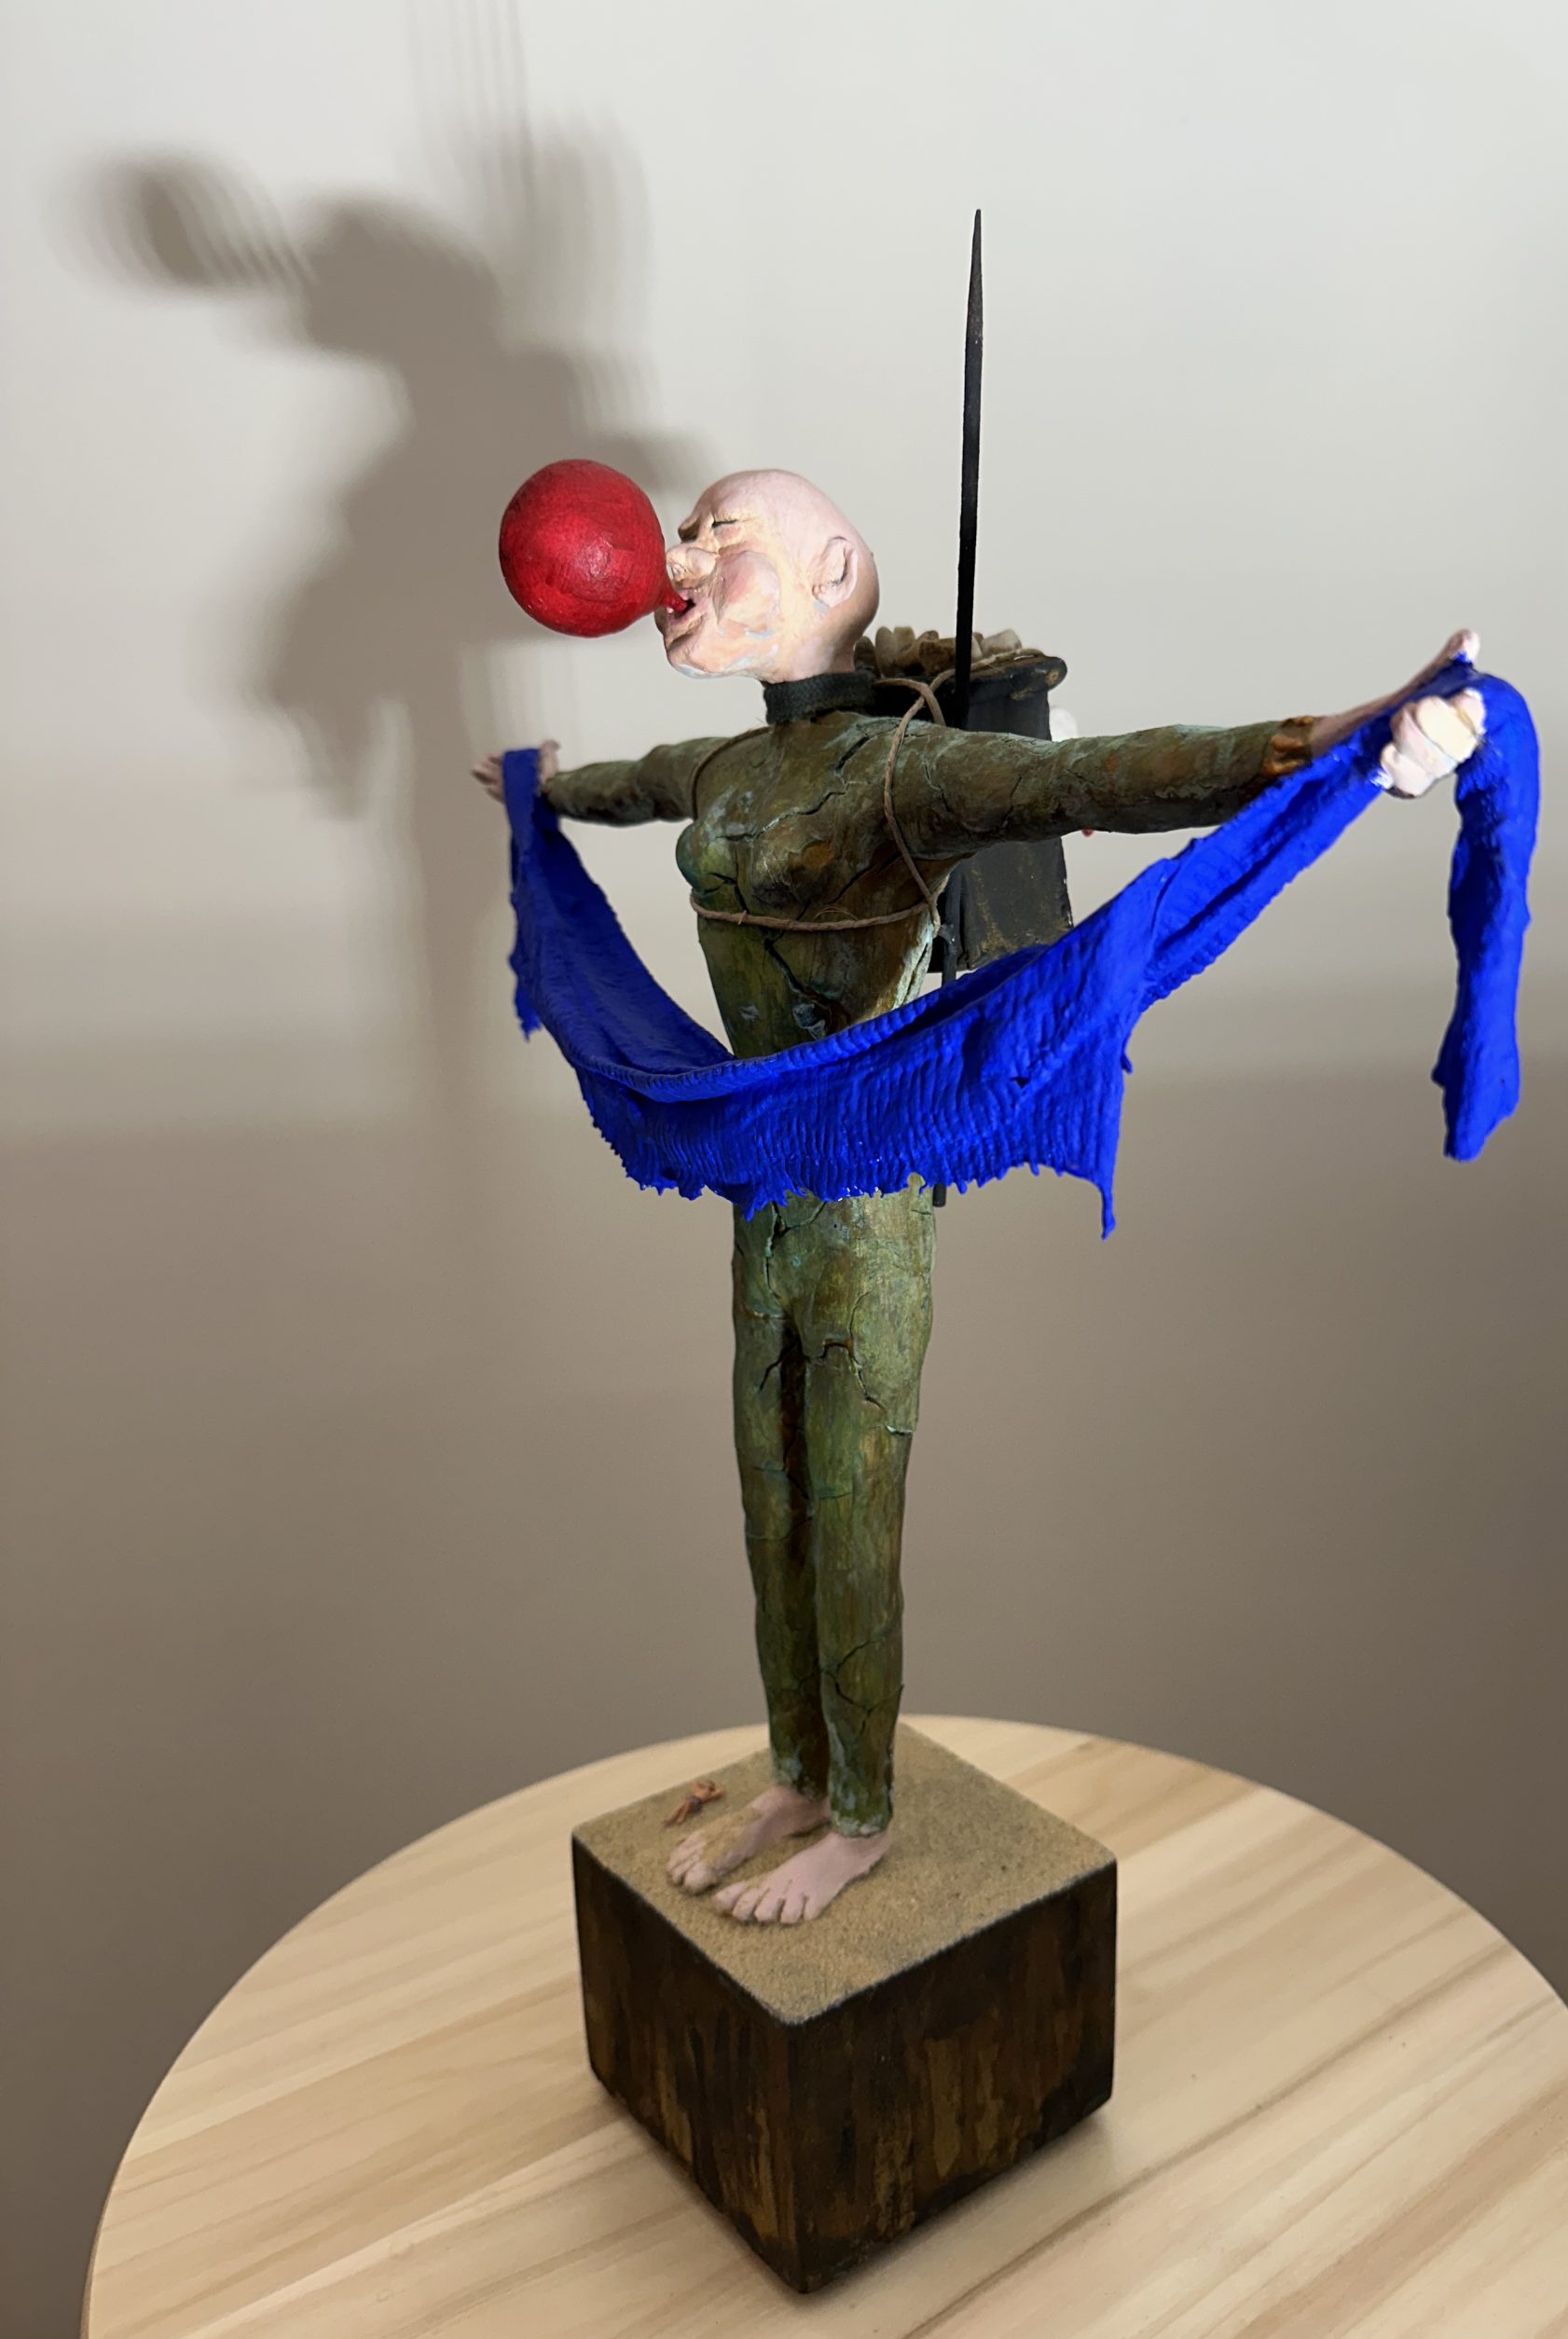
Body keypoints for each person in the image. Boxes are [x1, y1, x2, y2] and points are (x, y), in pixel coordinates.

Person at [475, 468, 1484, 1924]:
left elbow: (1108, 777)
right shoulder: (727, 769)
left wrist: (1352, 737)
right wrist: (538, 791)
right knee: (770, 1503)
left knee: (850, 1505)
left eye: (719, 536)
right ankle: (797, 1775)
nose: (678, 557)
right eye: (682, 530)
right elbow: (625, 787)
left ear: (833, 574)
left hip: (868, 1205)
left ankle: (861, 1815)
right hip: (764, 1198)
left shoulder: (908, 773)